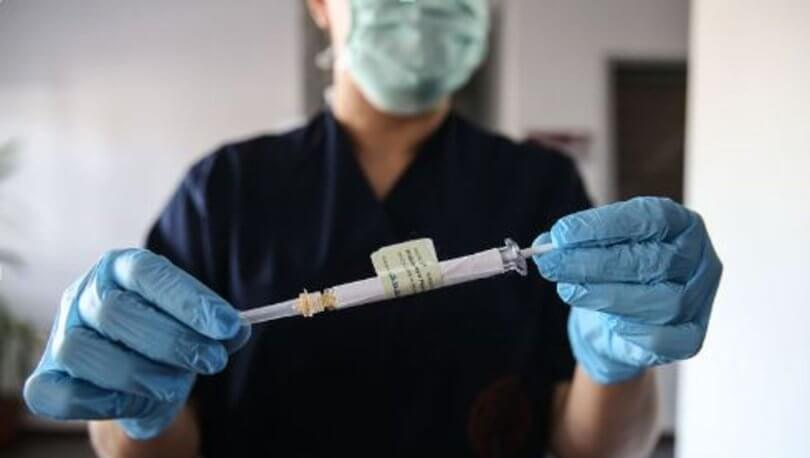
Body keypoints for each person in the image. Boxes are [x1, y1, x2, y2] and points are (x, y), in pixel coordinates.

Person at [23, 1, 722, 457]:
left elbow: (595, 447)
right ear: (321, 6)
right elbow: (152, 447)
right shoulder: (226, 190)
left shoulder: (541, 188)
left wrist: (616, 365)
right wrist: (132, 410)